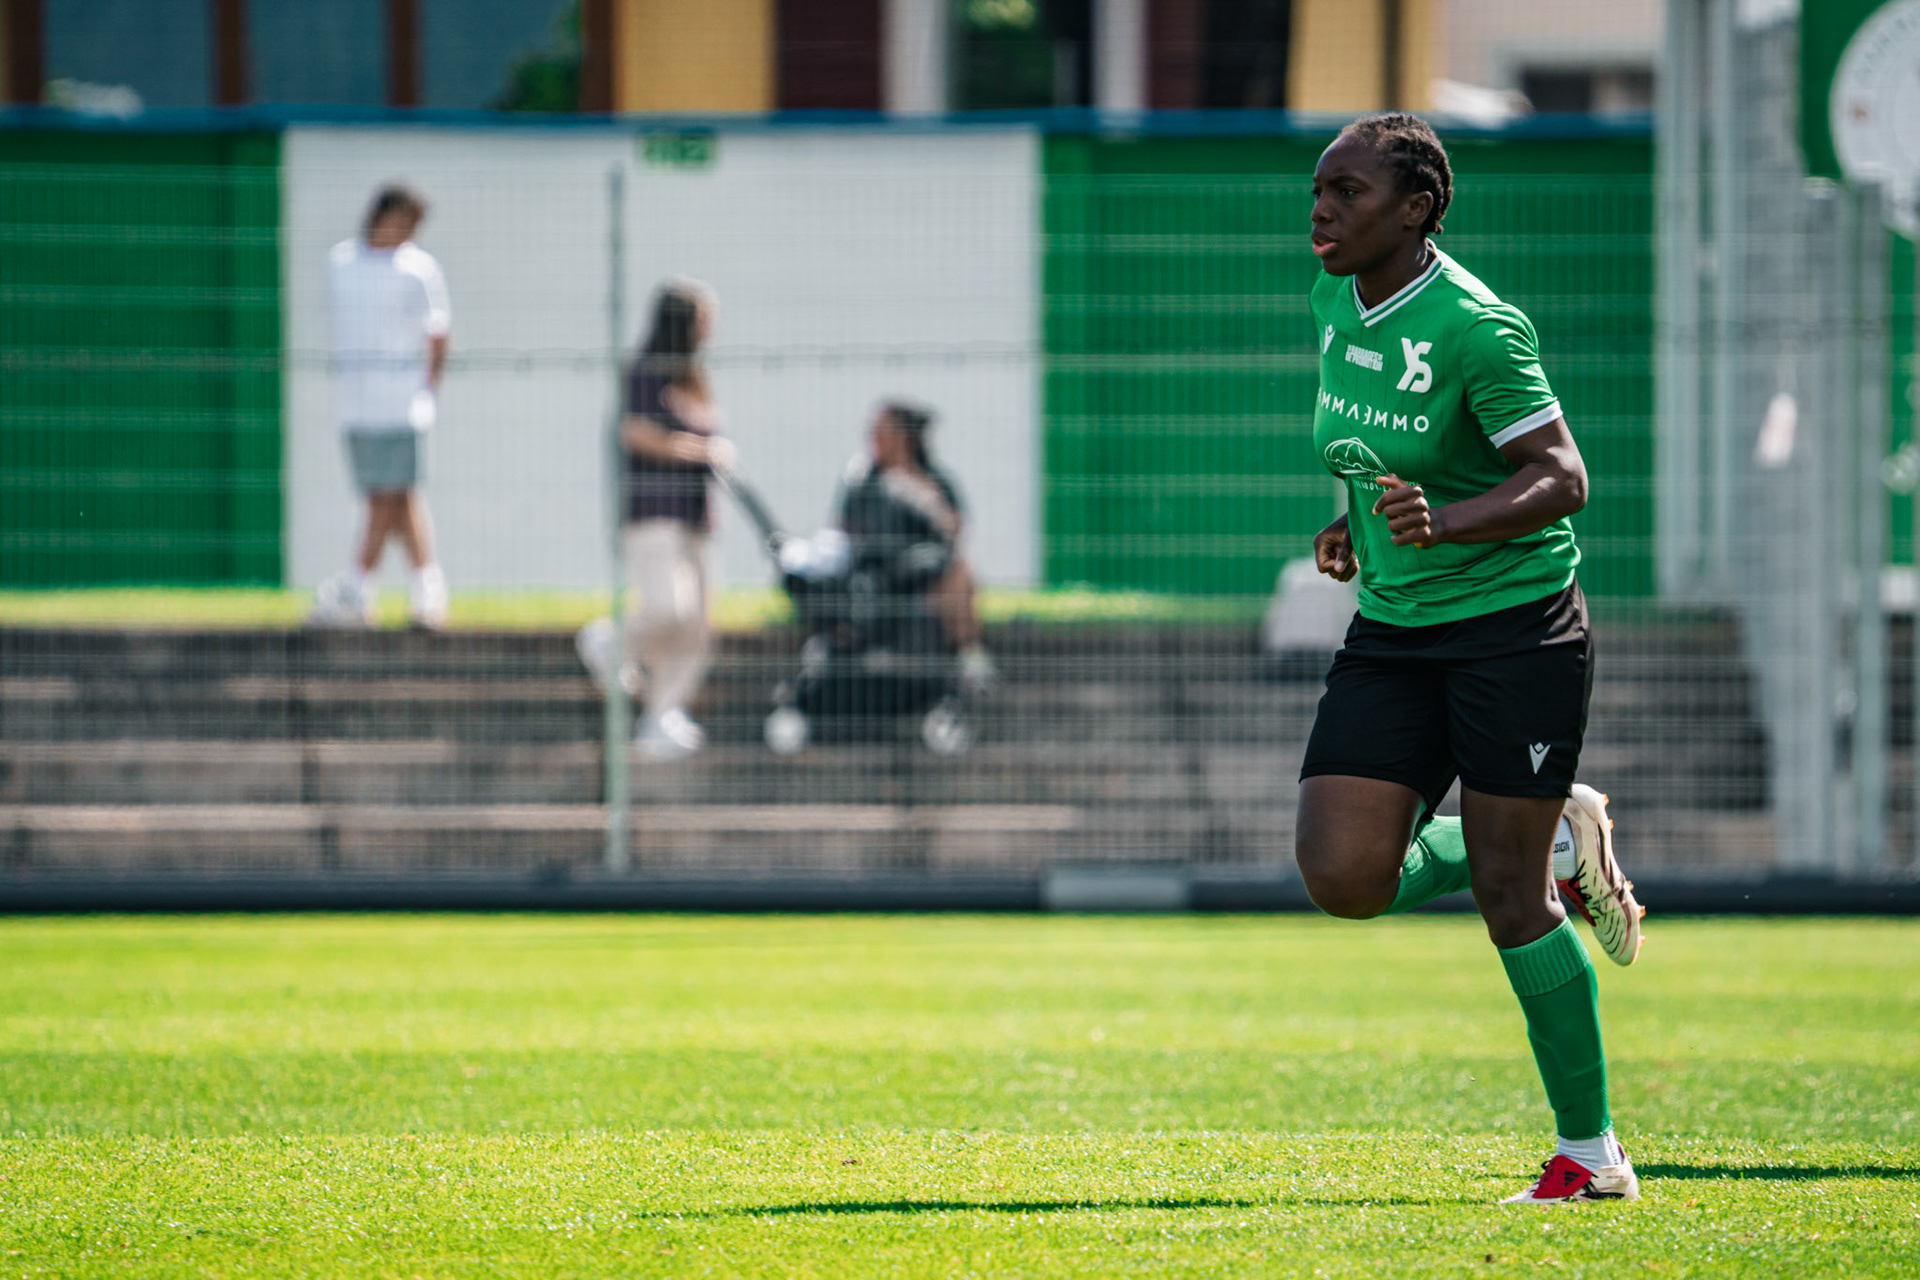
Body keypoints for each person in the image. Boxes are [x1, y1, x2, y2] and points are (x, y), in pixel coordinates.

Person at [1294, 113, 1646, 1205]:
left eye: (1348, 192)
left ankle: (1592, 1157)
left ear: (1418, 208)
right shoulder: (1332, 297)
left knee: (1509, 897)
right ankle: (1556, 818)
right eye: (1319, 189)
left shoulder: (1479, 327)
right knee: (1344, 875)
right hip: (1396, 630)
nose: (1322, 210)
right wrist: (1353, 517)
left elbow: (1562, 478)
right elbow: (1370, 442)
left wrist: (1444, 521)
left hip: (1516, 627)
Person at [588, 280, 734, 761]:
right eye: (703, 319)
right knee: (669, 608)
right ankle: (610, 642)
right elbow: (636, 433)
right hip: (653, 511)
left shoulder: (692, 376)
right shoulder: (646, 371)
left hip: (695, 516)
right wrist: (701, 450)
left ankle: (663, 714)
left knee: (698, 625)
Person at [313, 185, 452, 630]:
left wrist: (428, 388)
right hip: (357, 405)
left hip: (401, 403)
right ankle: (419, 588)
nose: (406, 232)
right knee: (390, 498)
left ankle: (364, 588)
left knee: (391, 495)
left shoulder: (419, 268)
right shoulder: (342, 262)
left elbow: (439, 332)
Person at [837, 401, 994, 691]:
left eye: (882, 432)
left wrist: (929, 506)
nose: (875, 440)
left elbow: (956, 527)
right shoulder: (864, 482)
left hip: (929, 568)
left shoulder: (933, 480)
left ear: (904, 437)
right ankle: (968, 653)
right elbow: (850, 532)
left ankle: (966, 656)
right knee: (956, 577)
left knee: (960, 574)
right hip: (881, 573)